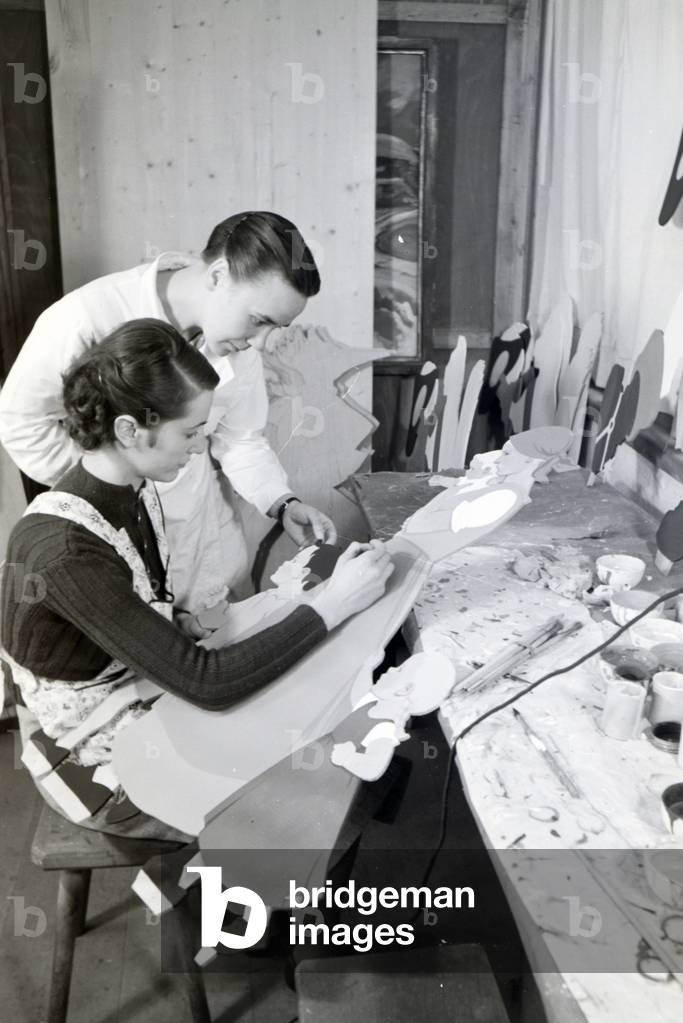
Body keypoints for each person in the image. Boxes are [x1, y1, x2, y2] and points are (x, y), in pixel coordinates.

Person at [0, 320, 394, 840]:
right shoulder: (66, 548)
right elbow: (207, 683)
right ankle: (262, 906)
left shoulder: (131, 491)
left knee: (322, 742)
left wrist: (184, 621)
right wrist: (332, 605)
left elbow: (129, 609)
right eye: (189, 433)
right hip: (83, 751)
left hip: (128, 690)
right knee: (305, 805)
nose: (199, 446)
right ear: (128, 430)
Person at [0, 211, 335, 617]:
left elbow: (241, 438)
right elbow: (19, 422)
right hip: (123, 539)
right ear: (217, 277)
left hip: (206, 542)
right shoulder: (84, 317)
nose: (262, 344)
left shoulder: (232, 339)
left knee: (225, 650)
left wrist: (283, 503)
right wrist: (111, 481)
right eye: (259, 321)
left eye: (275, 328)